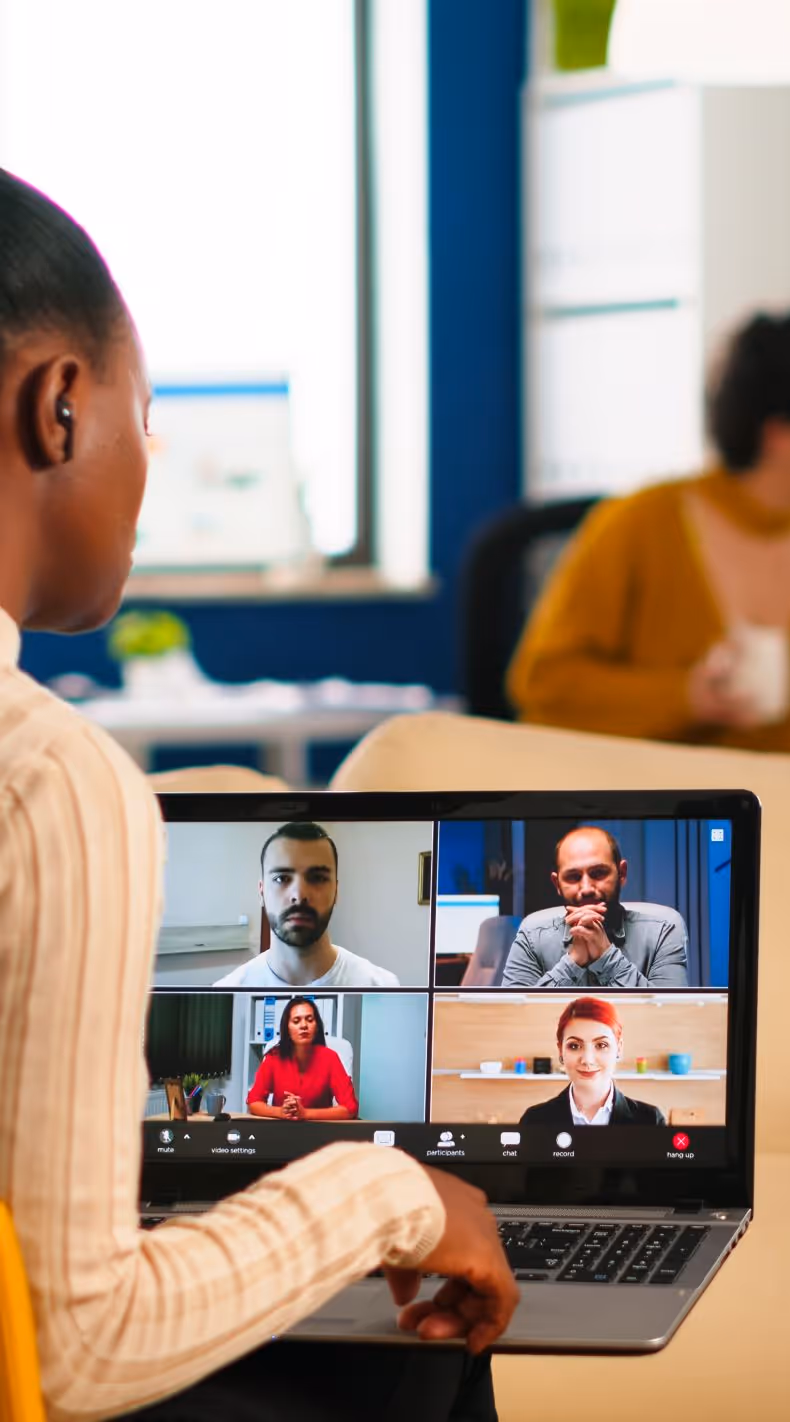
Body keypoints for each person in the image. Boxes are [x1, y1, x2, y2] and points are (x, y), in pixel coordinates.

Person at [0, 170, 517, 1422]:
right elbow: (84, 1348)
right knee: (407, 1367)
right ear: (60, 406)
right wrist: (395, 1194)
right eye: (147, 416)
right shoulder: (45, 782)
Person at [507, 311, 790, 752]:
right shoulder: (640, 523)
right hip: (670, 809)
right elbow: (543, 684)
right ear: (778, 432)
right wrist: (685, 697)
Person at [214, 822, 400, 988]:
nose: (299, 895)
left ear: (336, 890)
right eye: (281, 878)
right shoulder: (228, 990)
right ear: (261, 891)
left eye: (317, 878)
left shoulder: (382, 986)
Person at [502, 826, 689, 988]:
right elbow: (515, 1017)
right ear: (557, 884)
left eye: (598, 873)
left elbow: (671, 1016)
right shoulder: (532, 935)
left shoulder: (662, 931)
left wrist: (606, 956)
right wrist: (572, 963)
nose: (586, 889)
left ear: (621, 874)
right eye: (573, 877)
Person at [519, 997, 666, 1127]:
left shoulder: (650, 1120)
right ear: (560, 1050)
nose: (587, 1060)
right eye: (574, 1046)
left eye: (601, 1045)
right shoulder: (533, 1121)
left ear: (619, 1048)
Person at [247, 997, 359, 1120]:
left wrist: (305, 1114)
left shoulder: (330, 1058)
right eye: (296, 1021)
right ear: (287, 1028)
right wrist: (280, 1112)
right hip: (281, 1129)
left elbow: (350, 1108)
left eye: (310, 1020)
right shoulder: (274, 1057)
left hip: (319, 1130)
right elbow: (253, 1102)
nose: (304, 1025)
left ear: (317, 1026)